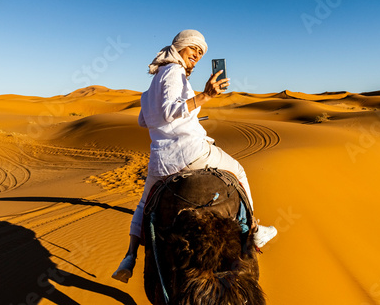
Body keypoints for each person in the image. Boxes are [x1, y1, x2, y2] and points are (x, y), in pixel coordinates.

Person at [112, 29, 277, 283]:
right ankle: (253, 231)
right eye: (193, 49)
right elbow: (169, 111)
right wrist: (205, 96)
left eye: (201, 53)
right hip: (190, 152)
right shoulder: (174, 72)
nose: (197, 56)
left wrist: (187, 117)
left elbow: (144, 120)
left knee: (144, 204)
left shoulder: (153, 83)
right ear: (179, 47)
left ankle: (130, 257)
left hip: (161, 162)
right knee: (239, 171)